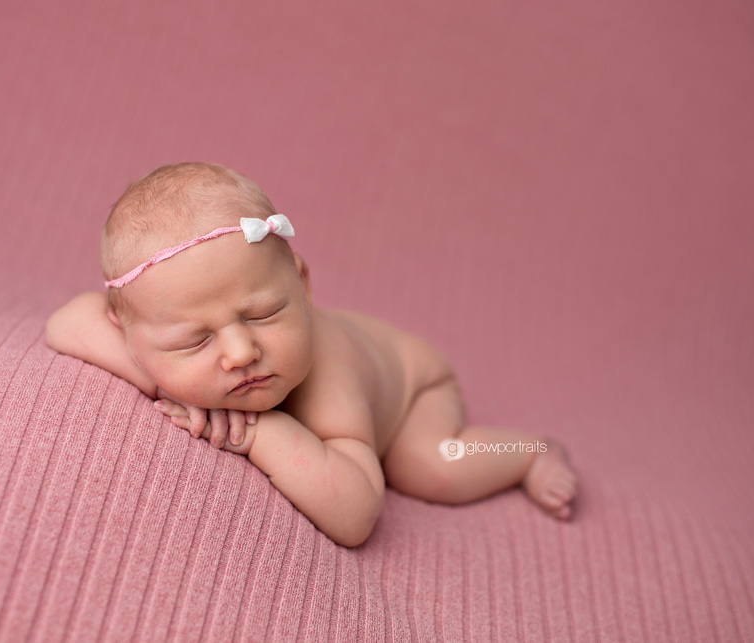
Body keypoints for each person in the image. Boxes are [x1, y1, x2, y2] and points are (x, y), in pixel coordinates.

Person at [45, 162, 578, 547]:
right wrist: (163, 378)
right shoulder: (150, 329)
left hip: (415, 388)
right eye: (195, 340)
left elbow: (357, 511)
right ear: (128, 330)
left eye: (262, 314)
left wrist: (259, 432)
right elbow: (65, 322)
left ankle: (530, 449)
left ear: (301, 282)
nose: (239, 352)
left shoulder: (327, 380)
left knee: (432, 466)